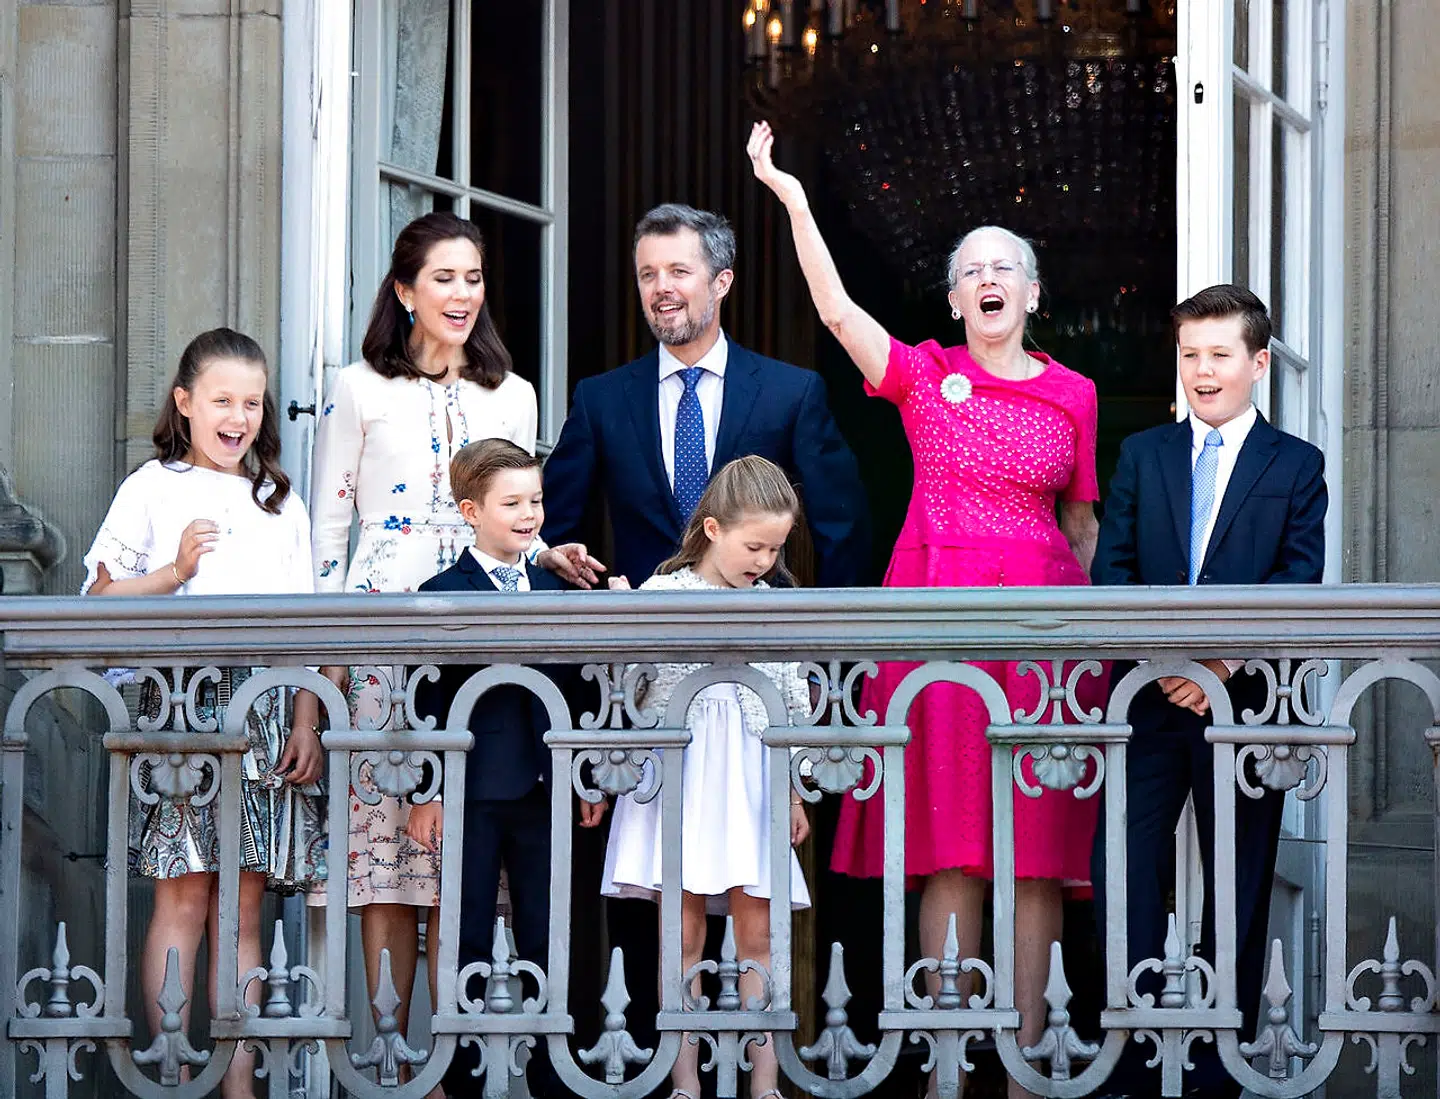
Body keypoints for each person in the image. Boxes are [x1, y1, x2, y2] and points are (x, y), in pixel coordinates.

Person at [747, 120, 1102, 1098]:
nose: (988, 279)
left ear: (1031, 293)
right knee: (950, 844)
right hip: (937, 617)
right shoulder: (922, 374)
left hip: (1041, 634)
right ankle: (950, 1063)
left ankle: (1027, 1072)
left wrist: (1092, 644)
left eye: (1004, 267)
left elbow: (1082, 527)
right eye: (970, 270)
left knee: (1035, 853)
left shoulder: (1076, 394)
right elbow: (833, 311)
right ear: (953, 299)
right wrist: (791, 196)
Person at [307, 211, 597, 1089]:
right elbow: (327, 535)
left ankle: (470, 1063)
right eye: (443, 277)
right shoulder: (358, 387)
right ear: (404, 290)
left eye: (473, 277)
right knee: (392, 867)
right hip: (383, 640)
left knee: (474, 873)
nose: (462, 293)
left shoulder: (515, 394)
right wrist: (318, 679)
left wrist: (547, 555)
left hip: (488, 642)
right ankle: (401, 1063)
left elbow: (512, 512)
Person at [1089, 284, 1326, 1099]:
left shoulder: (1297, 465)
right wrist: (1169, 663)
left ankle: (1223, 1064)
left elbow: (1297, 580)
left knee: (1241, 879)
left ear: (1258, 364)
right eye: (1190, 353)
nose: (1202, 370)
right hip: (1145, 700)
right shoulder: (1144, 453)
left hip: (1246, 705)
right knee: (1124, 868)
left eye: (1220, 354)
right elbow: (1112, 572)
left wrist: (1220, 665)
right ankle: (1131, 1054)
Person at [83, 327, 324, 1099]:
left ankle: (237, 1083)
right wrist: (175, 571)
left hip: (267, 707)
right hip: (184, 699)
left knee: (243, 903)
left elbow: (309, 625)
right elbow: (97, 597)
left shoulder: (281, 502)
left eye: (252, 402)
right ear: (185, 402)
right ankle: (175, 1069)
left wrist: (306, 718)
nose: (238, 417)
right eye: (222, 400)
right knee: (182, 891)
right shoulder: (152, 486)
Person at [603, 455, 813, 1099]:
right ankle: (685, 1081)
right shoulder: (661, 595)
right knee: (683, 932)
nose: (764, 561)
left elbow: (794, 702)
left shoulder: (777, 606)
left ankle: (766, 1083)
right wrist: (623, 626)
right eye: (753, 546)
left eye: (775, 549)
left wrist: (795, 788)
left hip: (751, 777)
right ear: (714, 529)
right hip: (683, 775)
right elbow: (631, 693)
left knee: (760, 930)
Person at [407, 439, 607, 1098]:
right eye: (512, 503)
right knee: (464, 933)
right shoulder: (441, 593)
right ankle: (463, 1078)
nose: (529, 515)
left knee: (550, 932)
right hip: (472, 789)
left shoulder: (558, 585)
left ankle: (555, 1079)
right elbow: (426, 699)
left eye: (536, 501)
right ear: (471, 511)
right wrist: (428, 791)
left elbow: (579, 686)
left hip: (547, 785)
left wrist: (585, 774)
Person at [540, 202, 869, 588]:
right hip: (641, 620)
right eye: (648, 274)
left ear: (721, 283)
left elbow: (841, 527)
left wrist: (834, 622)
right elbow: (554, 537)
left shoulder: (792, 393)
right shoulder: (599, 399)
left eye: (679, 271)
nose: (661, 287)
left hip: (758, 619)